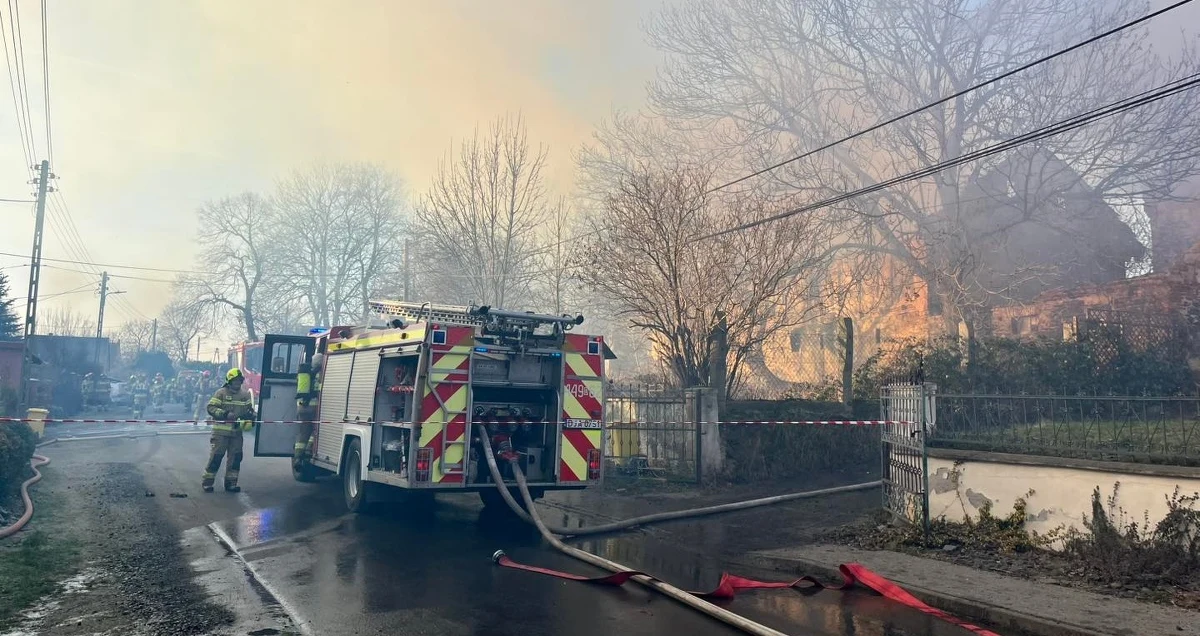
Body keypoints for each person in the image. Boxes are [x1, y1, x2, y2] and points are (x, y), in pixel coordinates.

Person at [202, 368, 255, 493]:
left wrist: (251, 416)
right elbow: (211, 407)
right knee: (216, 457)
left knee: (236, 458)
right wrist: (224, 414)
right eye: (235, 381)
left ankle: (231, 484)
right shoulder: (221, 393)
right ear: (229, 381)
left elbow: (249, 410)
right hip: (221, 433)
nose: (237, 383)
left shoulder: (245, 395)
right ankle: (207, 483)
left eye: (239, 380)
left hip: (236, 433)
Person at [292, 353, 323, 471]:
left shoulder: (305, 374)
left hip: (302, 407)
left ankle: (298, 458)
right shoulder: (321, 374)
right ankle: (309, 452)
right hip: (314, 407)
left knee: (303, 433)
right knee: (315, 430)